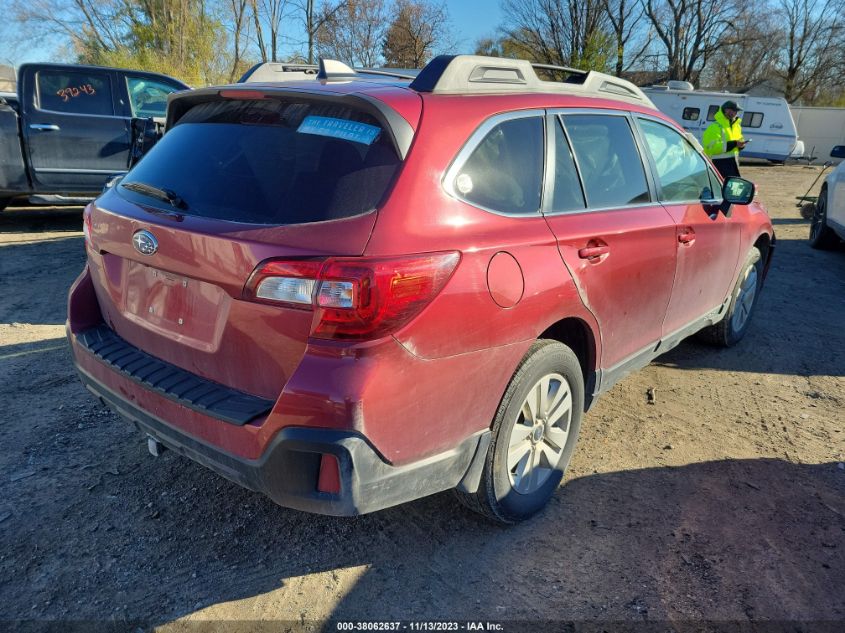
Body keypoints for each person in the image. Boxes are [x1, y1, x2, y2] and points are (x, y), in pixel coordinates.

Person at [702, 100, 747, 179]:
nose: (734, 113)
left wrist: (741, 145)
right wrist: (734, 144)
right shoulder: (715, 127)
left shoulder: (737, 126)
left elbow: (739, 140)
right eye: (732, 110)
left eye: (736, 111)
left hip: (734, 163)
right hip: (720, 164)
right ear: (725, 110)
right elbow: (710, 148)